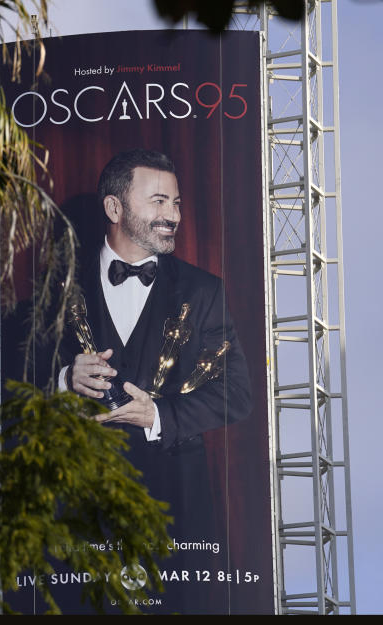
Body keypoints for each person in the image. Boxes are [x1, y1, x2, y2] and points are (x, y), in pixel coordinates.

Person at [58, 149, 252, 550]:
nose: (174, 215)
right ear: (115, 207)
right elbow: (10, 383)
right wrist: (64, 378)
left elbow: (239, 394)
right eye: (159, 201)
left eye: (176, 202)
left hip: (177, 511)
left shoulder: (204, 291)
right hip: (79, 508)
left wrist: (159, 416)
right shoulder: (54, 289)